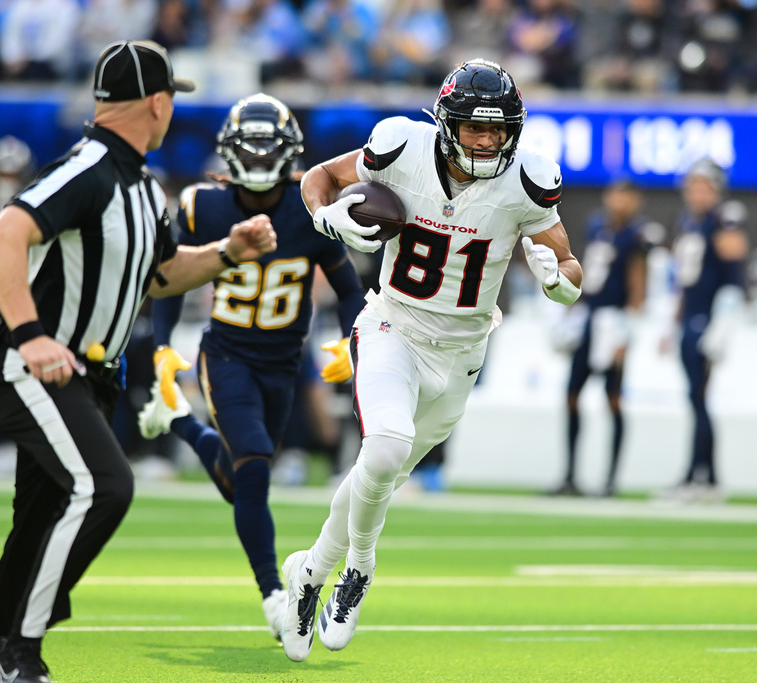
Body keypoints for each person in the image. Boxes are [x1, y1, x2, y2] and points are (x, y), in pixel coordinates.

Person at [0, 40, 277, 683]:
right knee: (103, 486)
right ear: (157, 104)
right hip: (38, 366)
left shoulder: (142, 188)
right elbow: (2, 237)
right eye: (170, 101)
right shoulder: (90, 169)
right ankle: (18, 652)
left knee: (42, 514)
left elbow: (158, 275)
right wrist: (31, 333)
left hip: (86, 376)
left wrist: (228, 251)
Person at [281, 58, 583, 662]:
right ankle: (358, 571)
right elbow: (318, 177)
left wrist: (560, 283)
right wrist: (326, 217)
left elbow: (570, 267)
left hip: (464, 352)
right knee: (386, 448)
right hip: (394, 325)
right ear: (446, 124)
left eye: (499, 131)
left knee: (379, 475)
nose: (489, 141)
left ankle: (309, 572)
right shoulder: (401, 148)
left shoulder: (527, 180)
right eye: (476, 128)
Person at [136, 92, 366, 641]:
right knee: (256, 467)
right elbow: (168, 279)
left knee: (242, 479)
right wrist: (164, 343)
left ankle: (178, 423)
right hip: (228, 354)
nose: (261, 159)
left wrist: (350, 342)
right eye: (251, 148)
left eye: (270, 149)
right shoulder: (202, 206)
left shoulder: (309, 209)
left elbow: (349, 289)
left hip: (284, 361)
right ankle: (274, 596)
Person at [554, 179, 652, 498]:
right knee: (571, 396)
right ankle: (569, 475)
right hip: (589, 317)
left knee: (613, 399)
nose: (618, 200)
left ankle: (610, 480)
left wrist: (627, 331)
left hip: (613, 321)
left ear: (635, 200)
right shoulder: (597, 226)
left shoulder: (636, 236)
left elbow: (638, 285)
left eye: (626, 195)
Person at [665, 158, 747, 501]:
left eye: (703, 186)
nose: (696, 193)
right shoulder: (690, 223)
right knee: (695, 398)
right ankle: (705, 476)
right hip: (692, 315)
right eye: (693, 185)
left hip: (710, 317)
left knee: (699, 397)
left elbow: (734, 272)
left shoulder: (723, 219)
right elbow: (686, 280)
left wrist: (723, 323)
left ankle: (701, 478)